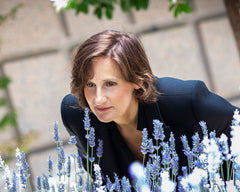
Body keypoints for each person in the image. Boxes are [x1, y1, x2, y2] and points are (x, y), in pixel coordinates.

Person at [61, 29, 238, 183]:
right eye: (90, 84)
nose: (98, 99)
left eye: (110, 84)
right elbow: (104, 185)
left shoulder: (186, 100)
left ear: (138, 81)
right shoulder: (76, 116)